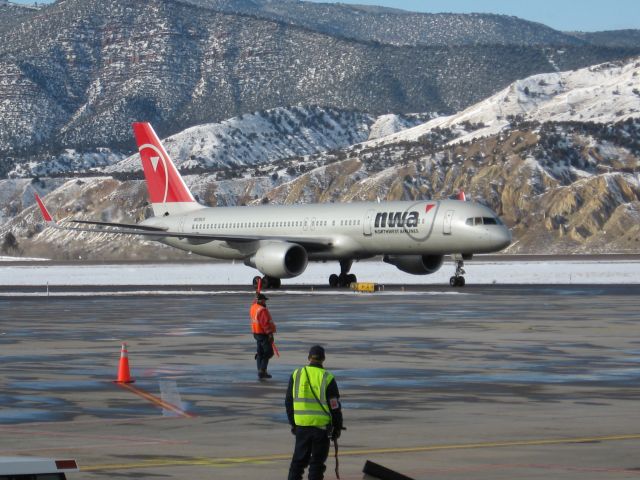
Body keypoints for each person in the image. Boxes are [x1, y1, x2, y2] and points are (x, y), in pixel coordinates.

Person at [285, 345, 343, 480]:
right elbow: (334, 406)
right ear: (323, 359)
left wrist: (293, 423)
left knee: (297, 464)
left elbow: (289, 402)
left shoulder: (297, 374)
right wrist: (337, 427)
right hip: (321, 429)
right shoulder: (327, 378)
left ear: (309, 358)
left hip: (302, 427)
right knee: (316, 465)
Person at [250, 293, 277, 379]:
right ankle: (262, 370)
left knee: (260, 352)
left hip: (256, 333)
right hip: (263, 334)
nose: (265, 302)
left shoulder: (254, 307)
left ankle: (260, 370)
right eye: (264, 300)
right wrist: (269, 334)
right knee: (268, 352)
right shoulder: (262, 310)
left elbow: (254, 302)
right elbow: (265, 324)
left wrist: (257, 296)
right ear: (261, 301)